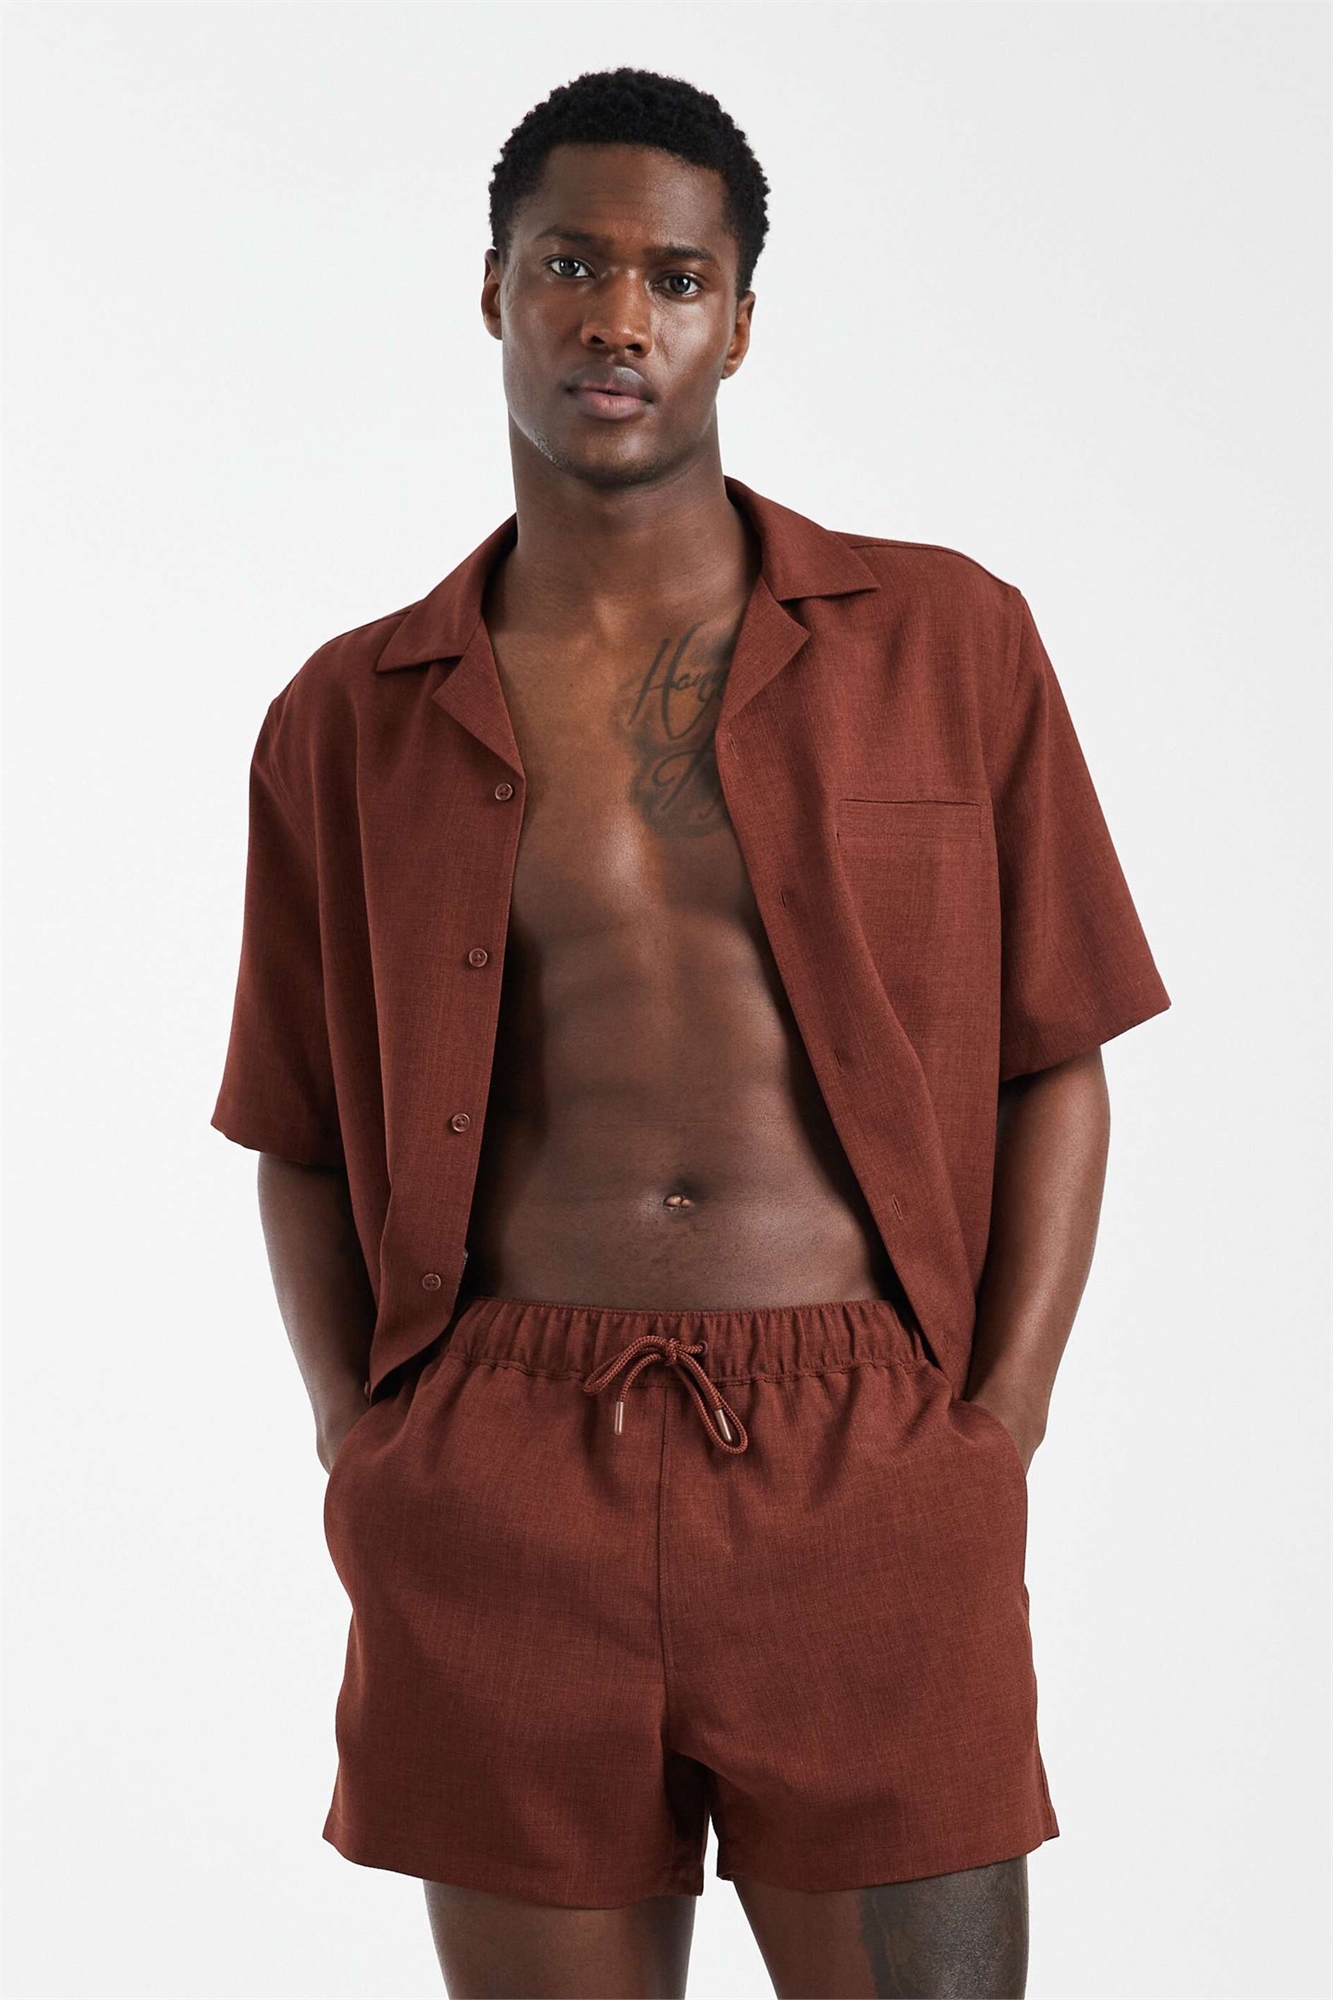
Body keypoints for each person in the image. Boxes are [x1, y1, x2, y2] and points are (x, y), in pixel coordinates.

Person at [211, 66, 1170, 2000]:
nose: (616, 318)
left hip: (863, 1459)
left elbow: (1053, 1051)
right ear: (492, 290)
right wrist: (360, 1443)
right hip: (501, 1476)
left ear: (737, 321)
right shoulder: (352, 714)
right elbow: (295, 1127)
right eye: (570, 265)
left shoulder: (945, 639)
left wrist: (993, 1429)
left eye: (673, 277)